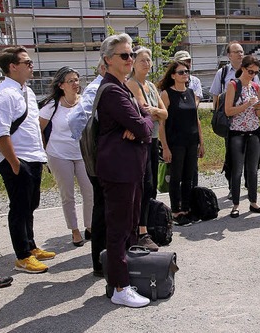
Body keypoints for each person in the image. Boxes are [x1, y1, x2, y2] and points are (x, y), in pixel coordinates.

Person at [98, 33, 153, 308]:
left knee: (129, 226)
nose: (130, 59)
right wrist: (141, 121)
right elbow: (145, 126)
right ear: (108, 60)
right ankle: (120, 287)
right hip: (118, 170)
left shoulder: (122, 87)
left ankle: (125, 277)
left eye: (131, 54)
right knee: (118, 229)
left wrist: (142, 119)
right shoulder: (112, 91)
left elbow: (146, 121)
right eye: (124, 55)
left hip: (130, 169)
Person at [0, 47, 56, 274]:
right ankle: (22, 257)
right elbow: (1, 133)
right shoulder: (1, 95)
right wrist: (15, 164)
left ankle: (31, 246)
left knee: (30, 205)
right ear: (12, 66)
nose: (31, 65)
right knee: (18, 208)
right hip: (17, 159)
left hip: (33, 156)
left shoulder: (25, 91)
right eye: (26, 62)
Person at [38, 66, 93, 247]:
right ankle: (75, 231)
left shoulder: (85, 102)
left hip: (83, 154)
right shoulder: (52, 105)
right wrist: (45, 152)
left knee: (90, 192)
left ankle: (91, 227)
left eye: (77, 80)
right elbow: (40, 130)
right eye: (71, 81)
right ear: (61, 85)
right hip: (59, 154)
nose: (75, 84)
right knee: (67, 194)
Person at [67, 59, 108, 277]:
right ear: (104, 66)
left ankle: (105, 260)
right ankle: (100, 263)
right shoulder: (97, 88)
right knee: (102, 209)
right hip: (100, 159)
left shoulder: (105, 86)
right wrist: (89, 141)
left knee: (105, 208)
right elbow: (75, 119)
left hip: (103, 158)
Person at [126, 46, 168, 251]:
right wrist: (156, 112)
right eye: (142, 59)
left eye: (149, 59)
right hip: (141, 142)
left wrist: (157, 111)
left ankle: (145, 226)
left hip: (153, 141)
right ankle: (139, 231)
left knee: (150, 187)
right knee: (144, 185)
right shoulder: (132, 84)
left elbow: (164, 113)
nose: (147, 63)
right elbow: (145, 112)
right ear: (133, 62)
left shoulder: (151, 85)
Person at [158, 60, 205, 225]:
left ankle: (186, 208)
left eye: (186, 72)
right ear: (173, 75)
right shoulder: (166, 94)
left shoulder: (191, 93)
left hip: (192, 141)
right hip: (175, 143)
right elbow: (161, 124)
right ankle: (176, 211)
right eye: (181, 72)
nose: (185, 74)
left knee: (189, 177)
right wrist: (164, 147)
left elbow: (196, 119)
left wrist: (202, 142)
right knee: (176, 177)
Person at [210, 41, 260, 192]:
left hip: (251, 123)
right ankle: (233, 186)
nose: (240, 54)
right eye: (236, 51)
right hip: (232, 123)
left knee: (251, 157)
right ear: (229, 55)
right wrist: (218, 116)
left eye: (241, 51)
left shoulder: (252, 71)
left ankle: (248, 185)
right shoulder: (223, 73)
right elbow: (216, 96)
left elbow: (257, 94)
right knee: (233, 157)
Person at [223, 55, 260, 217]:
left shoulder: (256, 87)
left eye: (255, 72)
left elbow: (258, 113)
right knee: (237, 170)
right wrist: (246, 104)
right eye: (250, 71)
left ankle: (253, 202)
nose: (252, 75)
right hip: (237, 132)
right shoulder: (233, 85)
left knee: (253, 169)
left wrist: (258, 106)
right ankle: (235, 204)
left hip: (253, 131)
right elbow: (228, 111)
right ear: (242, 68)